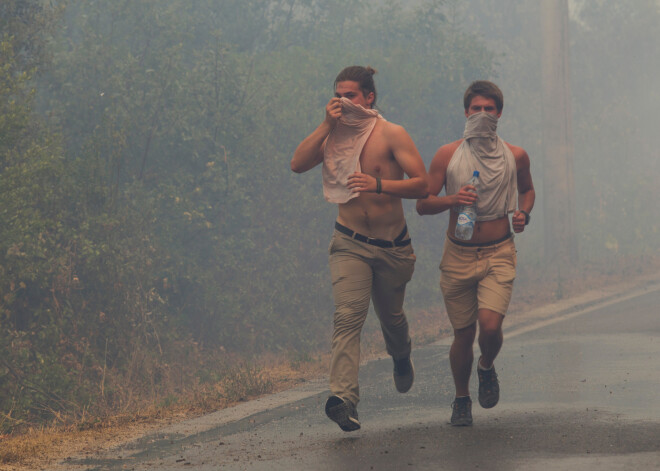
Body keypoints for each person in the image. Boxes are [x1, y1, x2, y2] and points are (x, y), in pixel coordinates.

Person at [291, 66, 428, 432]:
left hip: (392, 248)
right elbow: (297, 164)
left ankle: (401, 355)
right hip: (349, 243)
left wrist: (378, 183)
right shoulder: (334, 135)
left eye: (350, 95)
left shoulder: (391, 134)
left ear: (369, 97)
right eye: (337, 95)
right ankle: (343, 399)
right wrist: (325, 125)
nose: (342, 101)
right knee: (349, 317)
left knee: (392, 319)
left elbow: (422, 184)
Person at [416, 80, 535, 426]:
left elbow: (527, 191)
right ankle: (461, 398)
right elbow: (423, 204)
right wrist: (453, 200)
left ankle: (486, 366)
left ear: (499, 113)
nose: (482, 114)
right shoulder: (447, 155)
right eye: (476, 108)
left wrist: (522, 214)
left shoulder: (515, 155)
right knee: (463, 334)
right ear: (465, 111)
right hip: (458, 254)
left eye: (489, 109)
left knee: (490, 326)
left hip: (499, 251)